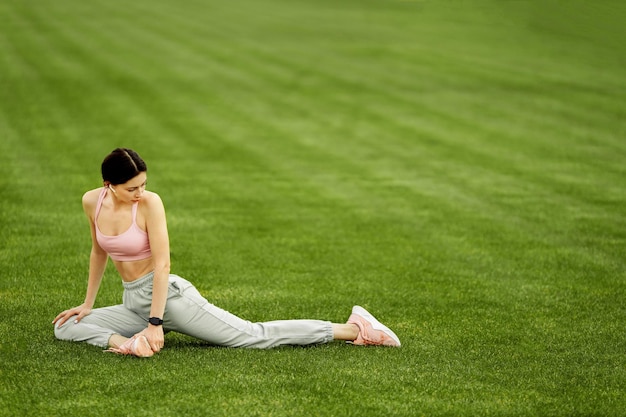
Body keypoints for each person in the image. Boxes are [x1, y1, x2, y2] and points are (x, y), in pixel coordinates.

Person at [53, 148, 401, 357]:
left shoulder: (150, 204)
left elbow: (163, 264)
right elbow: (98, 252)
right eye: (132, 188)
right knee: (67, 327)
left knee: (251, 336)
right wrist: (87, 304)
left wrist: (156, 324)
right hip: (133, 302)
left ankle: (355, 329)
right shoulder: (91, 202)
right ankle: (129, 342)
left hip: (167, 298)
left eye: (143, 184)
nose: (140, 192)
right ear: (107, 185)